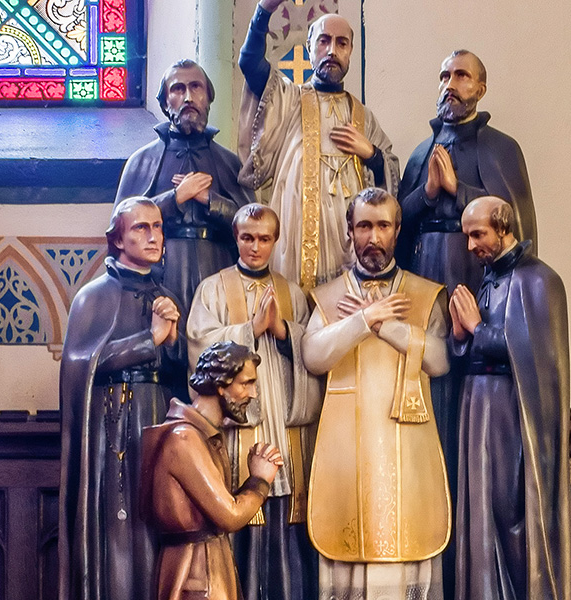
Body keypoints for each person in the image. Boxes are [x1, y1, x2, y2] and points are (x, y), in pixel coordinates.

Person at [302, 188, 450, 600]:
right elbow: (313, 356)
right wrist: (363, 320)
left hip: (409, 442)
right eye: (364, 225)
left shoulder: (424, 295)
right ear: (349, 232)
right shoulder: (330, 298)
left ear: (397, 230)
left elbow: (440, 360)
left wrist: (387, 326)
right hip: (346, 450)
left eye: (383, 225)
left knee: (411, 540)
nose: (373, 236)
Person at [186, 203, 321, 600]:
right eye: (247, 237)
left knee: (284, 529)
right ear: (236, 237)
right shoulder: (212, 288)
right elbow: (199, 349)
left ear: (275, 241)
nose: (255, 246)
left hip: (281, 411)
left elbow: (311, 351)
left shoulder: (292, 292)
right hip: (238, 427)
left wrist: (283, 333)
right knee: (241, 519)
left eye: (264, 239)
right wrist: (249, 329)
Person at [59, 197, 186, 600]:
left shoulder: (166, 294)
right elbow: (84, 364)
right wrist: (149, 339)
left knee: (156, 521)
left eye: (158, 227)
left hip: (156, 413)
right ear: (117, 239)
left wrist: (175, 337)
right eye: (140, 228)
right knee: (119, 524)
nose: (153, 236)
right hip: (111, 421)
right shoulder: (94, 295)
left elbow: (183, 374)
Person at [448, 196, 571, 600]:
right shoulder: (488, 278)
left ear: (503, 227)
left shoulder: (538, 279)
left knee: (509, 513)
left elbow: (535, 355)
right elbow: (474, 343)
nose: (470, 246)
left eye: (478, 234)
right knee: (478, 512)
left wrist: (476, 328)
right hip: (476, 404)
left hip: (511, 412)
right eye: (467, 236)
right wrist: (459, 335)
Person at [238, 0, 400, 291]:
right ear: (310, 48)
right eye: (324, 41)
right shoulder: (288, 99)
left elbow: (391, 180)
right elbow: (250, 62)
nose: (332, 51)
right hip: (297, 227)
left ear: (350, 51)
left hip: (347, 232)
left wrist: (372, 155)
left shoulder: (363, 116)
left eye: (342, 43)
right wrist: (264, 10)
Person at [114, 59, 256, 328]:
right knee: (166, 348)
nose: (188, 97)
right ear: (165, 101)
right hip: (163, 270)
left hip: (217, 263)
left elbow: (252, 223)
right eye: (178, 89)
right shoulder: (142, 160)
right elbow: (120, 227)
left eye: (196, 87)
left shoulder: (228, 162)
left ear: (208, 98)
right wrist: (176, 197)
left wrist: (210, 200)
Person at [140, 341, 284, 600]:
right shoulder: (184, 439)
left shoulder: (205, 436)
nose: (253, 394)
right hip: (194, 574)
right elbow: (229, 515)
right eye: (245, 383)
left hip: (211, 564)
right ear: (220, 385)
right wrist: (259, 481)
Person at [398, 50, 536, 296]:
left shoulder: (501, 148)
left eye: (461, 76)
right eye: (444, 77)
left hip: (476, 265)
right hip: (424, 265)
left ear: (480, 90)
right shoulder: (422, 151)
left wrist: (456, 188)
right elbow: (399, 219)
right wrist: (428, 192)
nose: (450, 85)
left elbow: (510, 217)